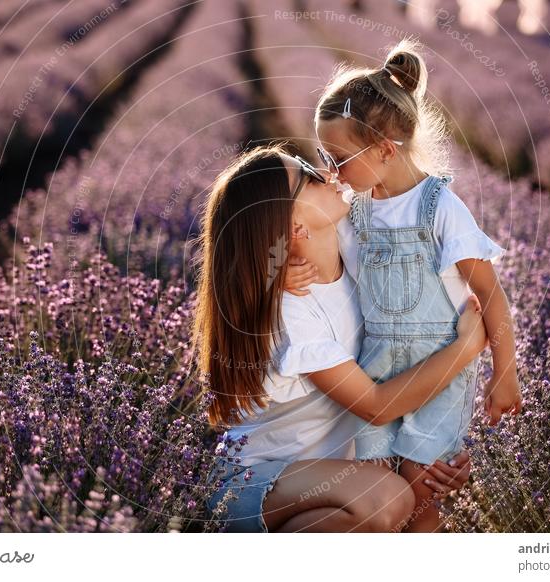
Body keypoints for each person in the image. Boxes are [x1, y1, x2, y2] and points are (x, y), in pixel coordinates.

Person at [285, 38, 522, 532]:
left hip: (439, 374)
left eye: (340, 157)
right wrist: (288, 268)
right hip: (378, 370)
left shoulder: (440, 208)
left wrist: (505, 373)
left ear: (385, 150)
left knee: (422, 488)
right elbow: (318, 250)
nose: (331, 171)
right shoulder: (357, 210)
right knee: (375, 480)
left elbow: (491, 293)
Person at [192, 144, 489, 532]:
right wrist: (465, 347)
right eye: (307, 174)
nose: (326, 172)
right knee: (388, 499)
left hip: (335, 479)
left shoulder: (356, 254)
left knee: (420, 495)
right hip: (253, 484)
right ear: (295, 227)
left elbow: (405, 358)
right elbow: (378, 406)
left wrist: (437, 450)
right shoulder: (291, 310)